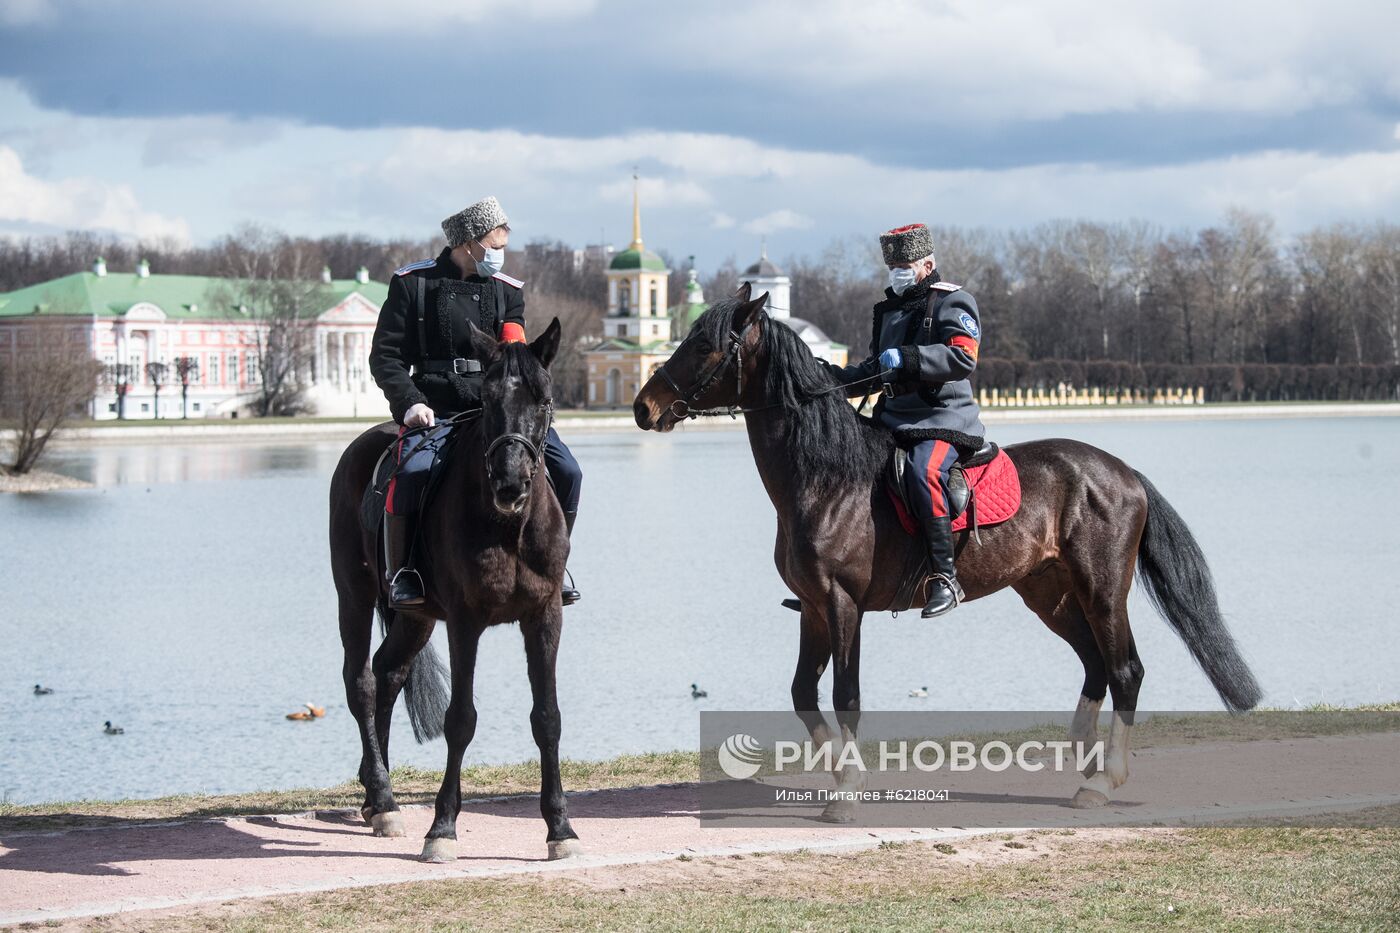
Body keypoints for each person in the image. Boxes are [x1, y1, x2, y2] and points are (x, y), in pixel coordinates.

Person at [368, 195, 583, 610]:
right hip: (436, 408)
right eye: (495, 247)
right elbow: (386, 357)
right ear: (469, 242)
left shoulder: (507, 292)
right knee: (410, 472)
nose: (501, 256)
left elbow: (516, 357)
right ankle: (405, 573)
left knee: (569, 471)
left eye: (504, 247)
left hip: (500, 413)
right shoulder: (413, 284)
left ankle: (554, 565)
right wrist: (410, 402)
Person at [825, 223, 985, 617]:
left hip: (943, 418)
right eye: (893, 265)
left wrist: (912, 358)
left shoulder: (953, 302)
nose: (897, 271)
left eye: (905, 264)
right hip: (893, 418)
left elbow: (963, 358)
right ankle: (831, 575)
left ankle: (945, 577)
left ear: (927, 264)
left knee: (921, 472)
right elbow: (875, 369)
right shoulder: (889, 310)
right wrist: (830, 380)